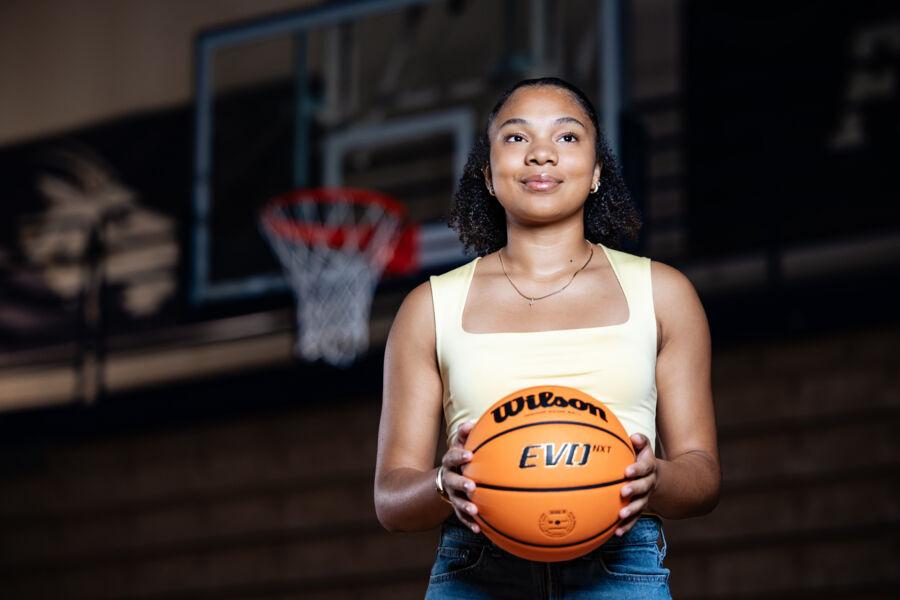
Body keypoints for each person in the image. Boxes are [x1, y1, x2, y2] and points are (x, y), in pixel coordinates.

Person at [374, 77, 720, 599]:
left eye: (567, 137)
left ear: (598, 170)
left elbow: (704, 476)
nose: (540, 154)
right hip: (475, 570)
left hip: (621, 568)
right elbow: (390, 499)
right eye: (516, 138)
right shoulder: (429, 308)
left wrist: (658, 479)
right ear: (489, 176)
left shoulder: (664, 294)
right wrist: (444, 484)